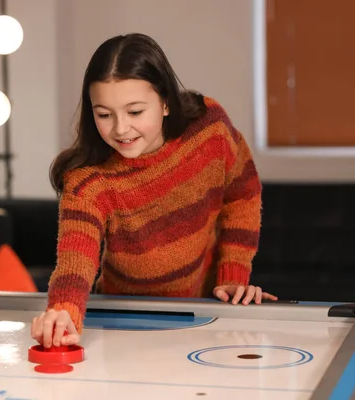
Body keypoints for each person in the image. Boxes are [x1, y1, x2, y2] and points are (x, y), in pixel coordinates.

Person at [30, 32, 277, 349]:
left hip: (206, 313)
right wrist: (63, 312)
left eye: (135, 112)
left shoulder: (210, 128)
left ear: (164, 102)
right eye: (104, 114)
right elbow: (75, 262)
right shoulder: (88, 180)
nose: (120, 129)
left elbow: (243, 194)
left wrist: (233, 276)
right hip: (123, 323)